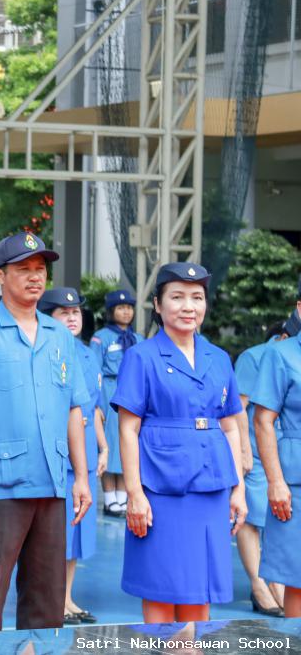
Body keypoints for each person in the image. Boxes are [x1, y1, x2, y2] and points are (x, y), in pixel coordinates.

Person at [0, 233, 92, 632]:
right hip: (0, 485)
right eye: (23, 269)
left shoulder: (59, 335)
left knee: (47, 600)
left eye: (40, 269)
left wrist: (80, 476)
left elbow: (74, 407)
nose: (34, 277)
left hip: (51, 482)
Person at [110, 262, 245, 624]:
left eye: (197, 298)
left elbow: (231, 427)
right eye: (177, 297)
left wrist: (238, 488)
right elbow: (128, 430)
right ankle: (163, 648)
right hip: (160, 488)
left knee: (200, 588)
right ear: (157, 304)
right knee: (160, 586)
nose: (189, 306)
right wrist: (134, 493)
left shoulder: (219, 358)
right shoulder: (141, 357)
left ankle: (192, 649)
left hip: (212, 486)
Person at [37, 287, 108, 626]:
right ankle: (51, 599)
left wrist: (103, 445)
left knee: (77, 533)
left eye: (76, 312)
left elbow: (92, 406)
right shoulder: (42, 351)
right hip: (55, 450)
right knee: (54, 532)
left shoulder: (88, 355)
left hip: (85, 451)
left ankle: (66, 597)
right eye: (63, 312)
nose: (71, 317)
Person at [251, 290, 301, 619]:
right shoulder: (281, 354)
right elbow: (263, 420)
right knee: (298, 576)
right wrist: (275, 482)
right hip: (295, 480)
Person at [234, 321, 288, 617]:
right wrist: (243, 450)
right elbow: (238, 407)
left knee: (281, 519)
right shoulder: (253, 358)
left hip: (284, 453)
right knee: (252, 518)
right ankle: (258, 585)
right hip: (255, 452)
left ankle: (276, 582)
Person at [92, 289, 144, 518]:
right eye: (121, 308)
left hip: (131, 392)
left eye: (129, 308)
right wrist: (97, 403)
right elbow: (95, 370)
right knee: (110, 444)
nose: (126, 312)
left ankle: (123, 497)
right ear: (111, 311)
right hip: (109, 391)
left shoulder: (138, 339)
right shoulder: (101, 337)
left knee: (128, 444)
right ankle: (109, 498)